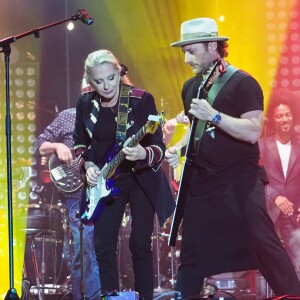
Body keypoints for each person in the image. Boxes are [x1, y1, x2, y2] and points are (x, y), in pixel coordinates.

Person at [165, 17, 300, 299]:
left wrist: (213, 114)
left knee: (260, 240)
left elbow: (252, 131)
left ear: (212, 45)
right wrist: (177, 149)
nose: (187, 58)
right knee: (192, 250)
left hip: (239, 179)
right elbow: (195, 130)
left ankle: (292, 293)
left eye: (192, 50)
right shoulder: (190, 87)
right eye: (184, 52)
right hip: (204, 182)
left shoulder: (243, 83)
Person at [73, 49, 175, 300]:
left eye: (111, 78)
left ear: (119, 73)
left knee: (139, 244)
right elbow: (78, 144)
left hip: (140, 178)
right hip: (105, 181)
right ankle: (110, 296)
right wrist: (87, 166)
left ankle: (145, 297)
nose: (106, 85)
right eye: (99, 81)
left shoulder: (141, 100)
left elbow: (158, 146)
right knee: (103, 245)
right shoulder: (85, 103)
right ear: (90, 81)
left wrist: (143, 153)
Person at [35, 108, 101, 300]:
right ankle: (88, 296)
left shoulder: (113, 116)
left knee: (101, 247)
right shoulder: (68, 116)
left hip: (106, 190)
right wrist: (57, 146)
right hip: (77, 194)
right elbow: (39, 144)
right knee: (85, 247)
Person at [259, 96, 300, 280]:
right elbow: (256, 179)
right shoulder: (261, 146)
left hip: (294, 216)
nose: (284, 119)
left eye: (287, 115)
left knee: (298, 263)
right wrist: (275, 196)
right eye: (279, 116)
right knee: (268, 269)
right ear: (272, 120)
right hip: (267, 214)